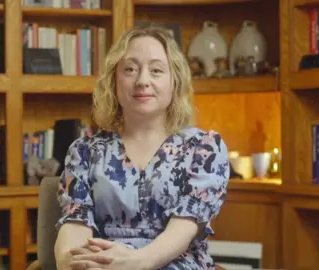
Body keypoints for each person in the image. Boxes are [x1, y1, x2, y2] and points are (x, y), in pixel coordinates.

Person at [54, 25, 230, 270]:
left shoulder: (204, 149)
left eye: (156, 70)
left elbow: (185, 228)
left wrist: (136, 263)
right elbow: (75, 221)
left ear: (174, 81)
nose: (142, 81)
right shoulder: (84, 151)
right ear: (113, 81)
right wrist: (67, 261)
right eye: (130, 69)